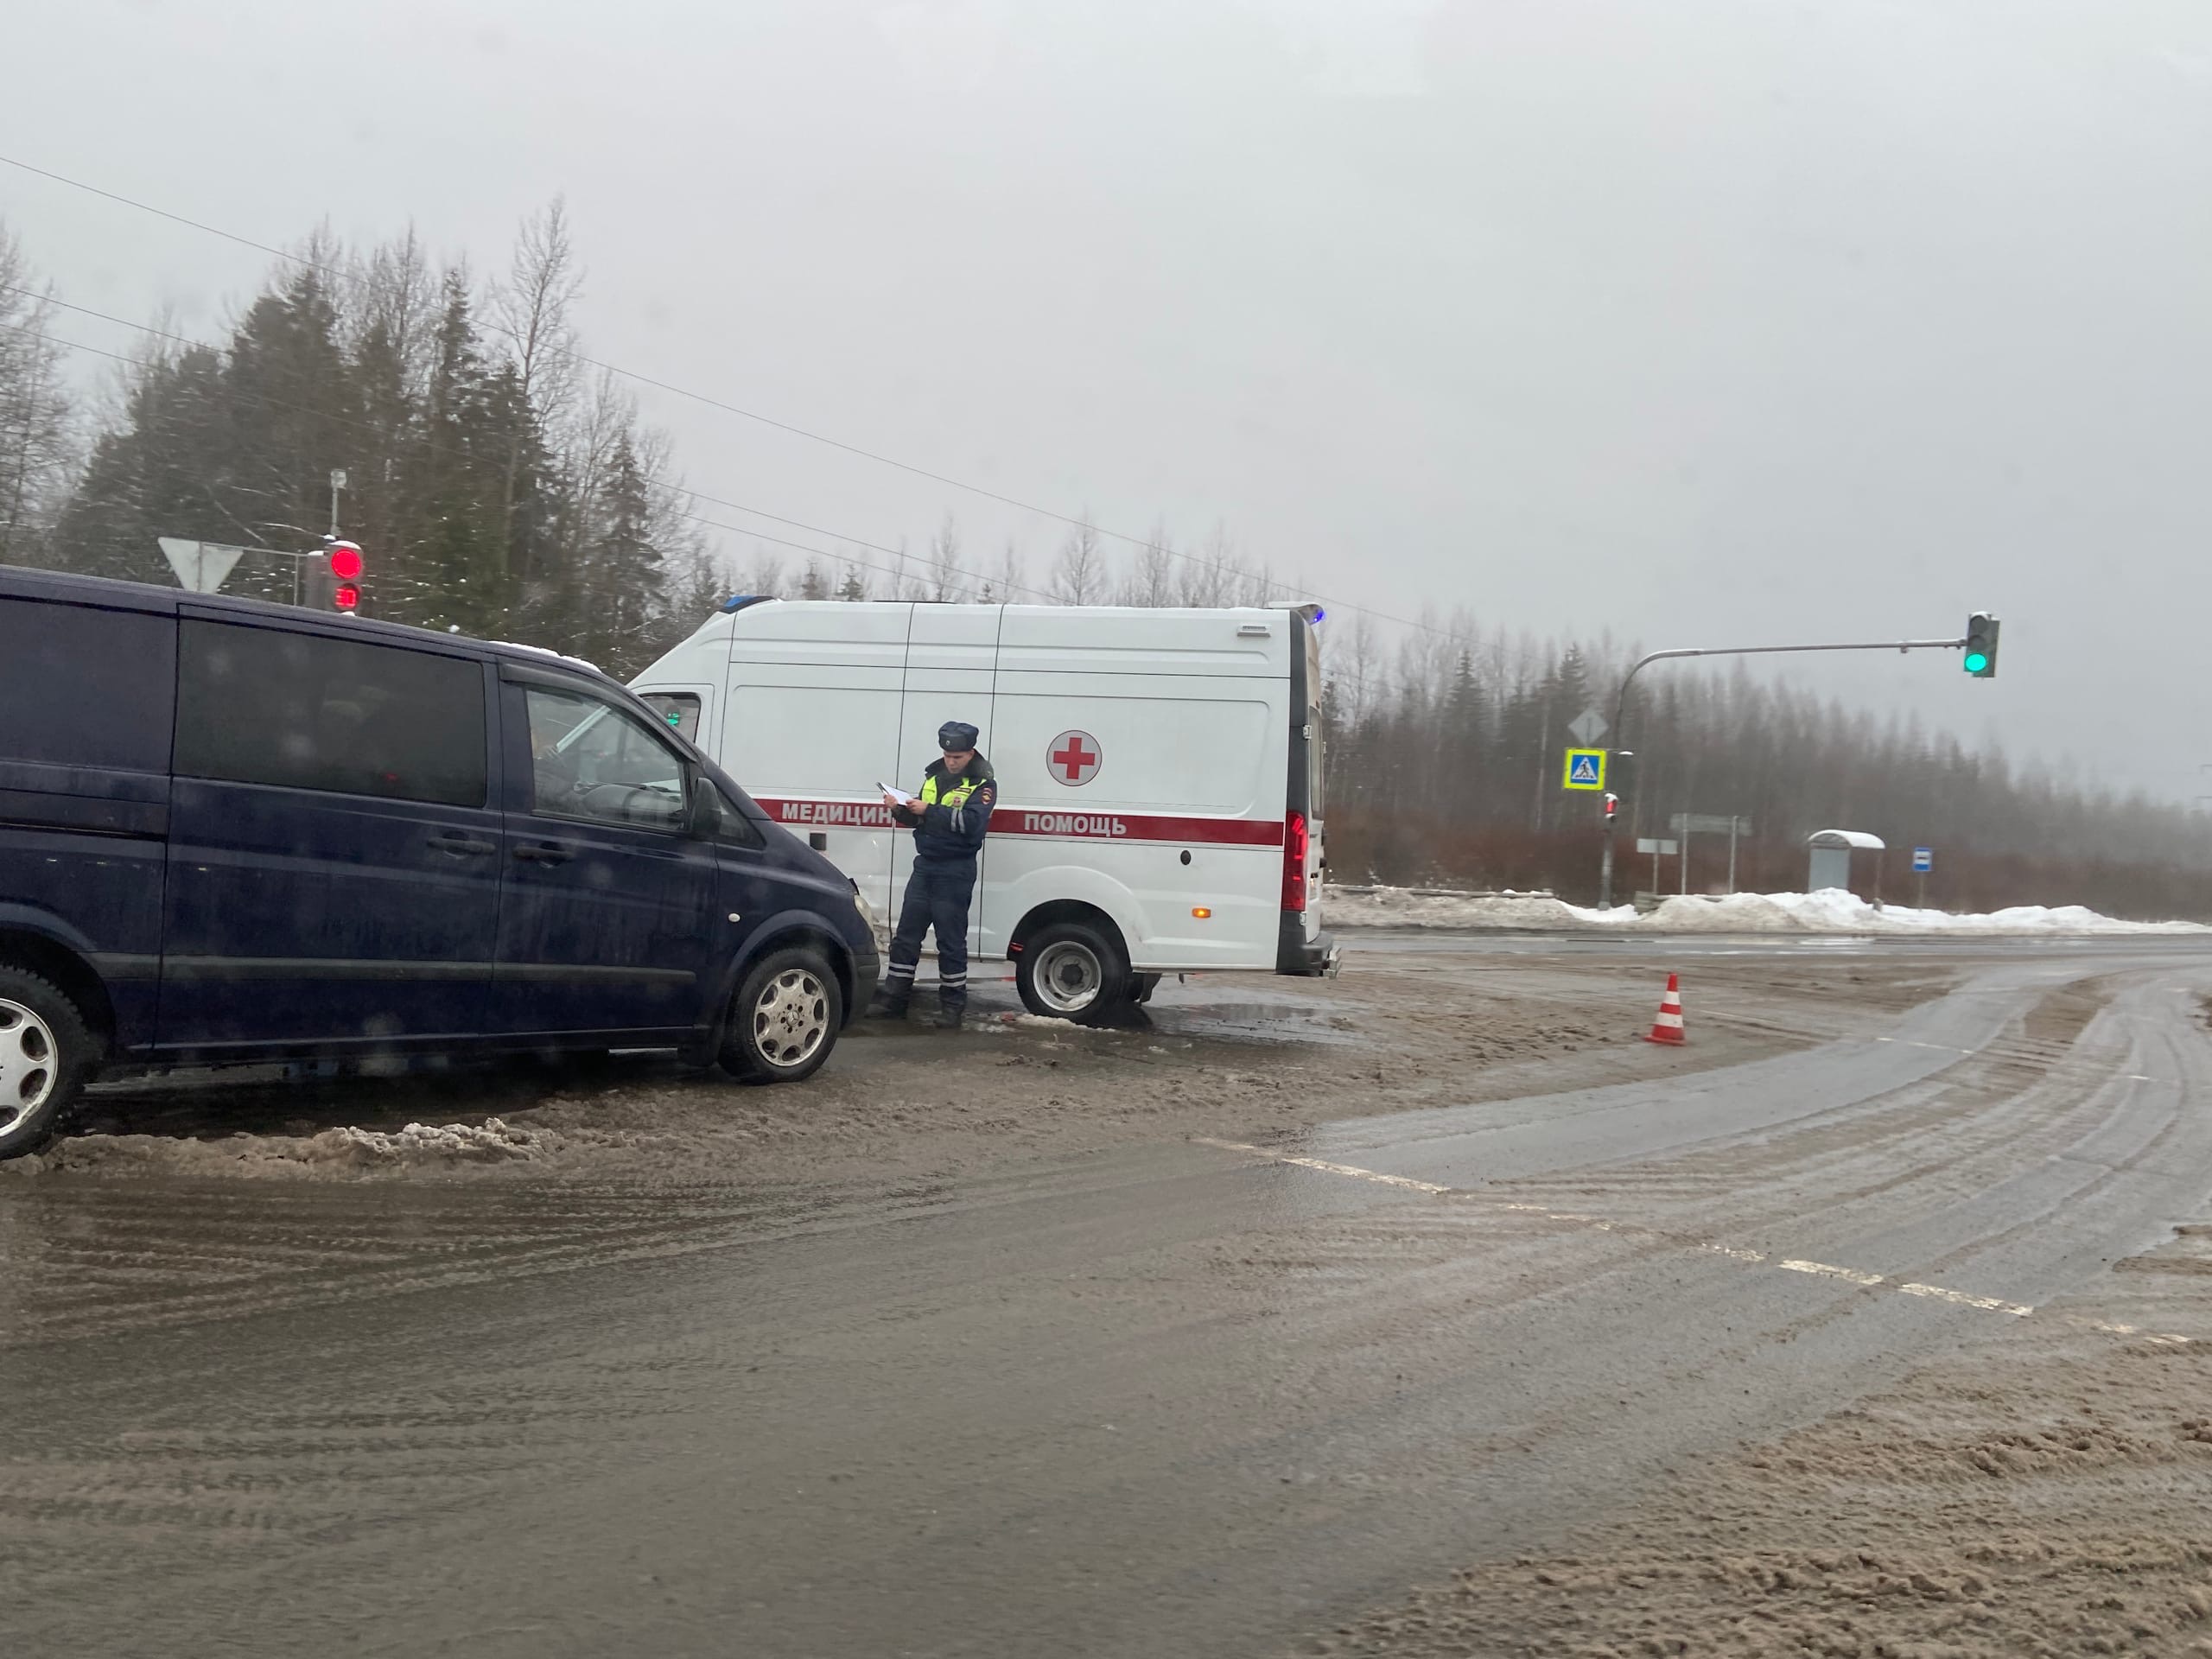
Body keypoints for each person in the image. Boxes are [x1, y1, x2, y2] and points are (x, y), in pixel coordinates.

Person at [868, 721, 995, 1028]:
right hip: (925, 865)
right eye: (948, 756)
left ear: (971, 753)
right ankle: (894, 1001)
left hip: (956, 868)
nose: (951, 761)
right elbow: (919, 820)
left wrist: (928, 811)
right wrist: (900, 809)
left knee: (950, 941)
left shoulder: (984, 784)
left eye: (958, 757)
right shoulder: (934, 776)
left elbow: (971, 824)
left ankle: (952, 1009)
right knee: (906, 937)